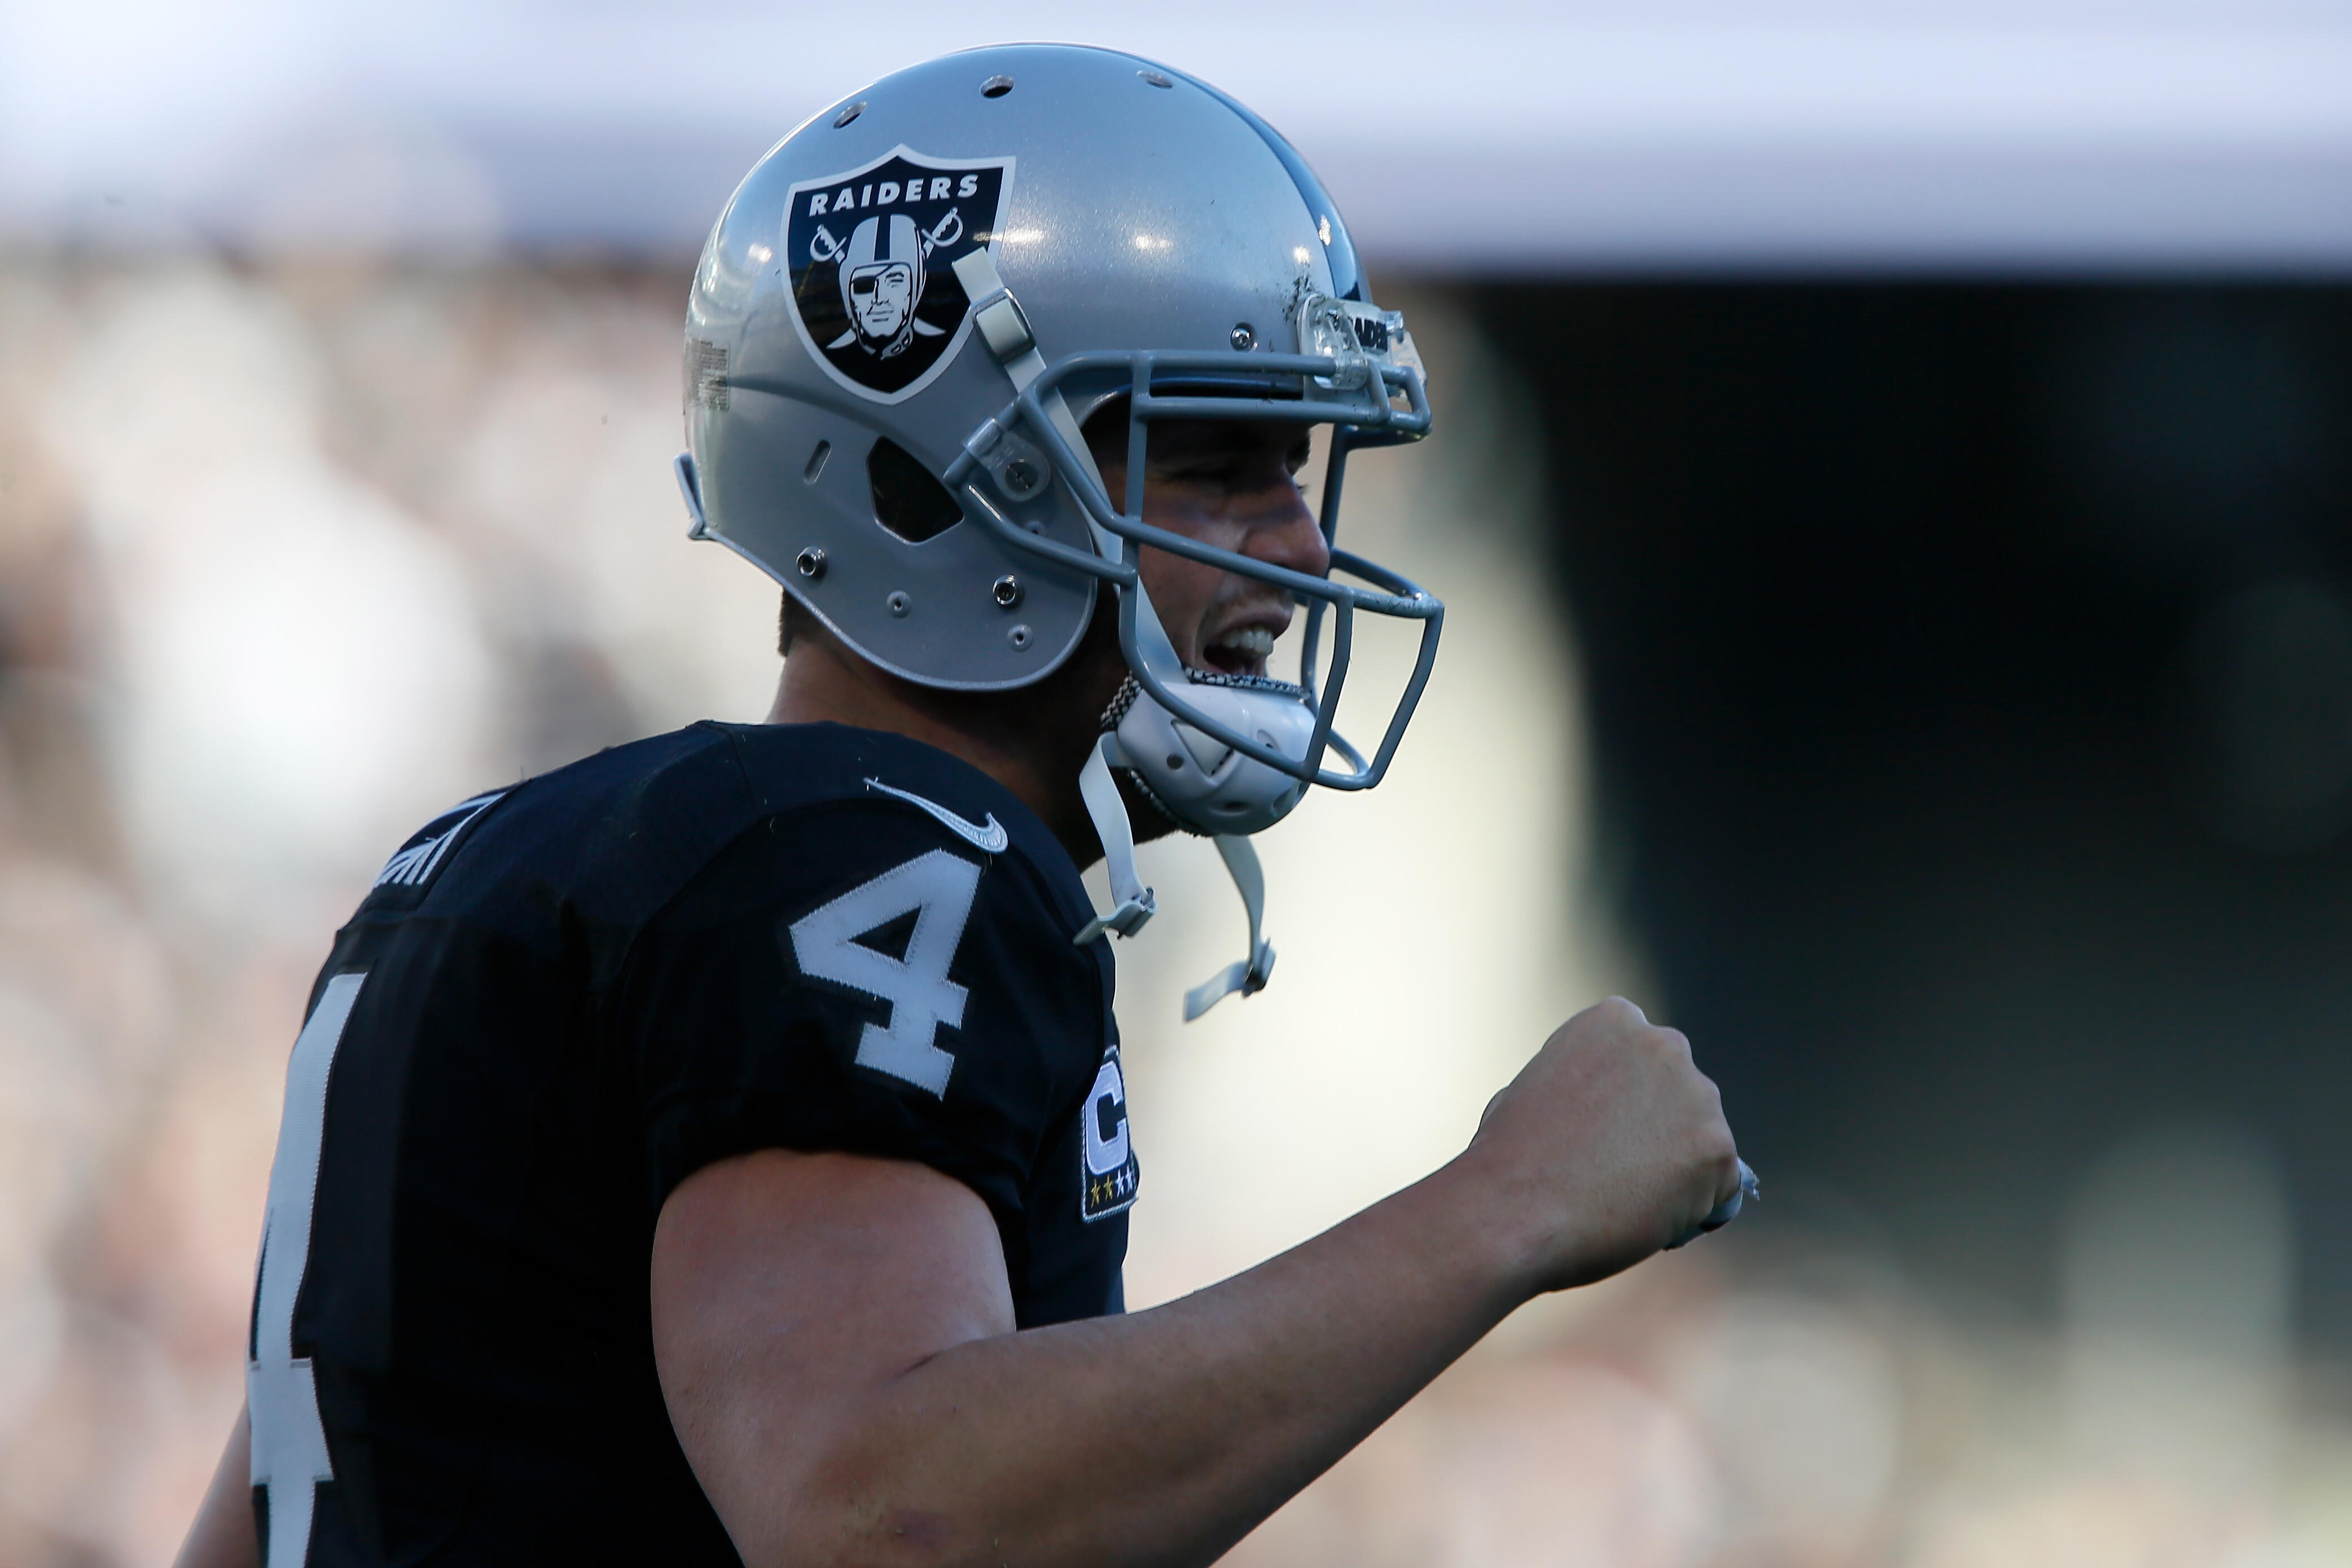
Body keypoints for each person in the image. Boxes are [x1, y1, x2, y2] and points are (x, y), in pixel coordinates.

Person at [176, 43, 1747, 1568]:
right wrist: (1503, 1209)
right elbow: (889, 1519)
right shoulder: (875, 852)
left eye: (1298, 463)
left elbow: (270, 1517)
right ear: (928, 482)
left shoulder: (487, 862)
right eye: (1213, 463)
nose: (1304, 546)